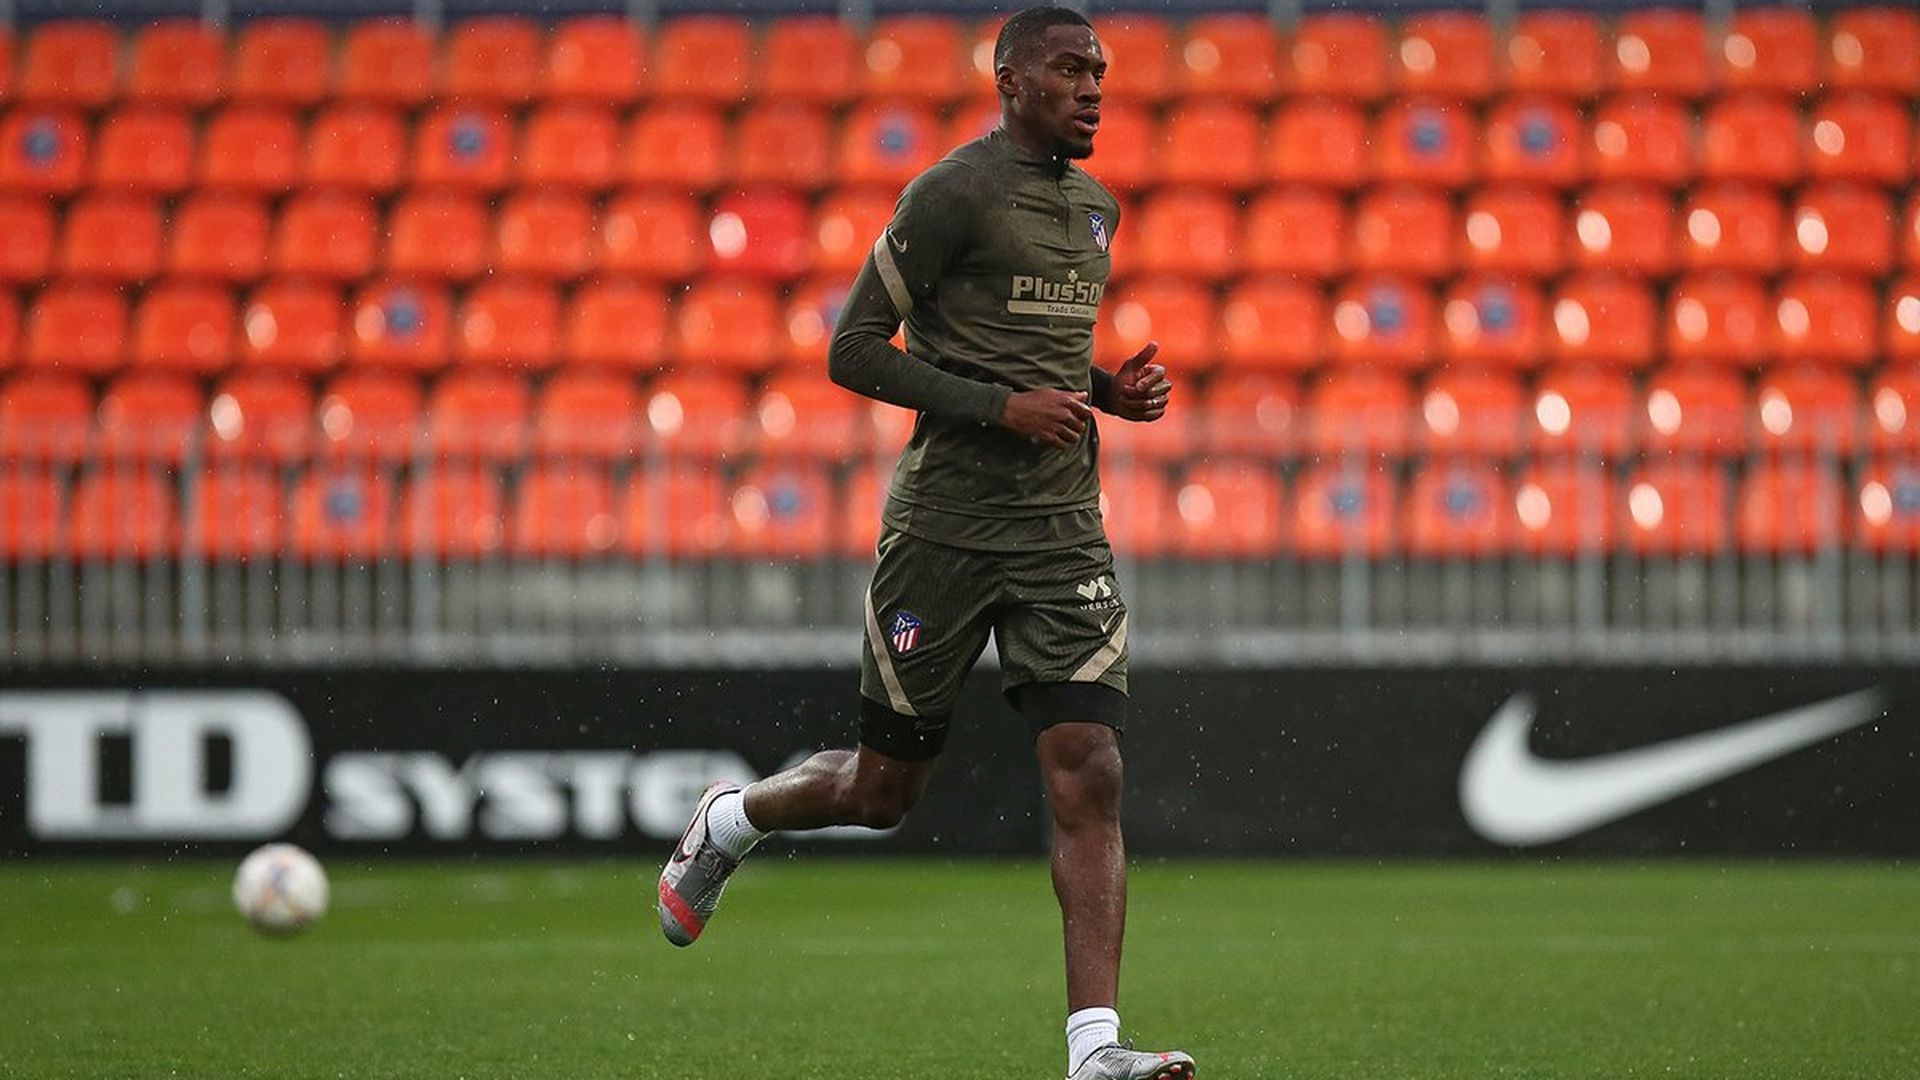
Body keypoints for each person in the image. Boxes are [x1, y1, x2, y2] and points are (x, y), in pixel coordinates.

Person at [658, 8, 1192, 1079]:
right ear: (1011, 81)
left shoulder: (1096, 209)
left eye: (1100, 70)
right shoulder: (951, 193)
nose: (1092, 87)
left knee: (1090, 769)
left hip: (1060, 533)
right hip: (943, 532)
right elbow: (853, 350)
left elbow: (1032, 353)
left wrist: (1104, 392)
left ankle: (1095, 1049)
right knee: (881, 793)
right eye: (1070, 69)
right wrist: (1001, 408)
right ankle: (732, 819)